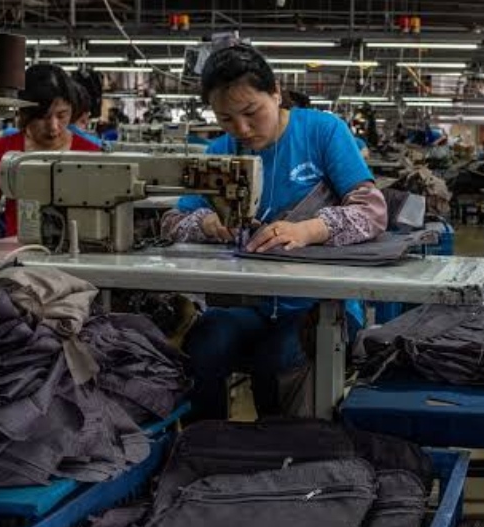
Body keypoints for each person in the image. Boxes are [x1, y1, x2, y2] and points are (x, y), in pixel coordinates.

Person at [160, 45, 385, 421]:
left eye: (251, 113)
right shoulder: (221, 151)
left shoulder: (322, 131)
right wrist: (205, 222)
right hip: (250, 303)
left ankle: (280, 451)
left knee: (276, 358)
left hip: (322, 305)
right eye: (226, 119)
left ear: (276, 92)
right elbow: (171, 222)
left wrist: (309, 229)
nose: (242, 129)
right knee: (204, 343)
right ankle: (206, 444)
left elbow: (372, 211)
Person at [0, 64, 101, 237]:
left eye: (62, 115)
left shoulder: (90, 154)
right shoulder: (1, 151)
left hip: (81, 247)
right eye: (43, 117)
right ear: (24, 114)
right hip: (18, 249)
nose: (53, 127)